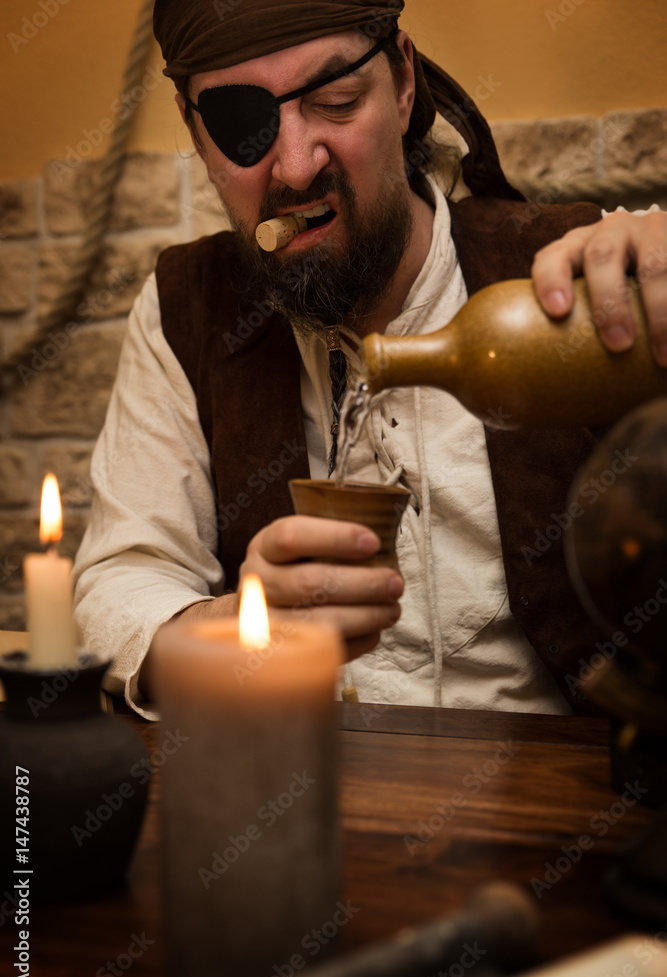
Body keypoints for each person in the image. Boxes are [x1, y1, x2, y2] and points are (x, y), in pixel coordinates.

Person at [73, 0, 667, 720]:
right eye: (240, 124)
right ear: (196, 133)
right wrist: (237, 626)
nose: (297, 166)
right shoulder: (186, 310)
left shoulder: (588, 278)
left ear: (403, 81)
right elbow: (122, 583)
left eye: (336, 101)